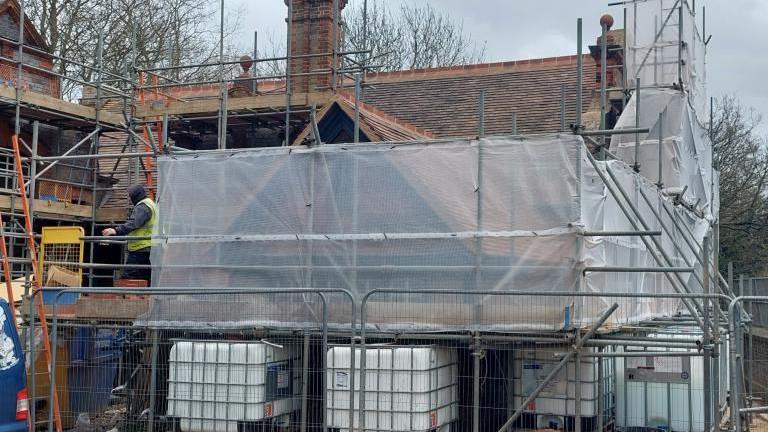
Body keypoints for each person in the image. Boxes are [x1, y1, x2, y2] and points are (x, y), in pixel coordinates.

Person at [102, 184, 157, 282]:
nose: (130, 198)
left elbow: (134, 223)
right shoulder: (150, 204)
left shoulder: (143, 207)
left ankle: (129, 297)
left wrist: (115, 230)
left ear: (136, 196)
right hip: (150, 249)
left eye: (131, 195)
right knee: (145, 280)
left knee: (129, 280)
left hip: (141, 249)